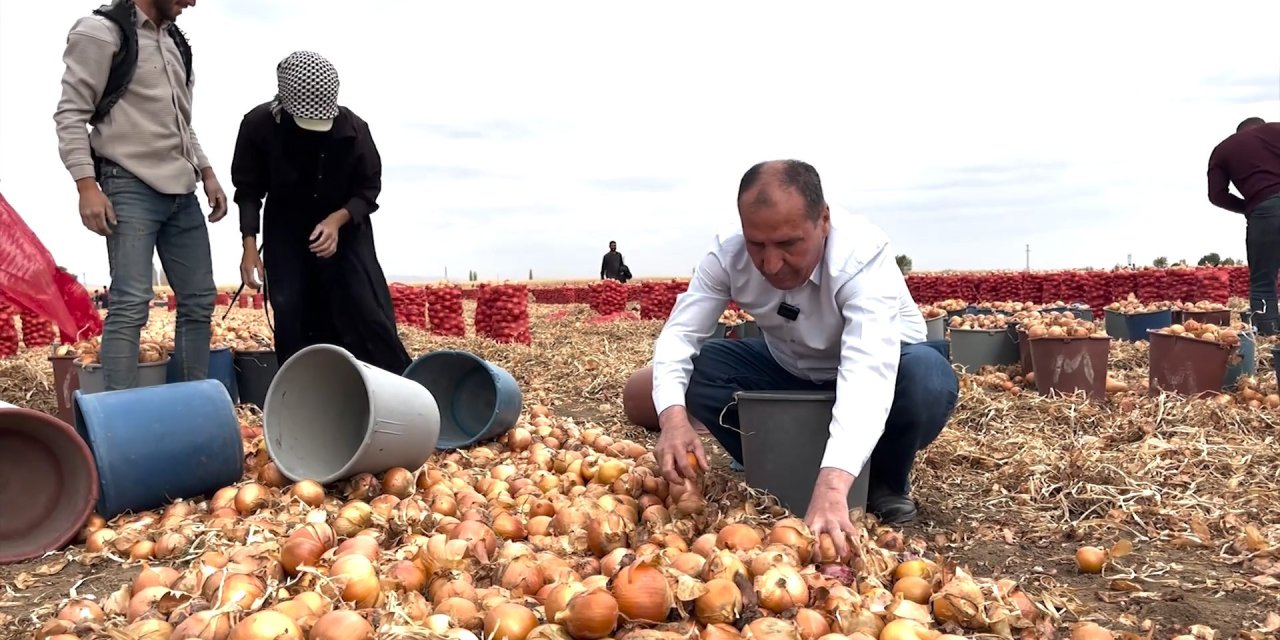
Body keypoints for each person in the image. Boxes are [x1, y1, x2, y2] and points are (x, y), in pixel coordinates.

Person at [650, 160, 959, 554]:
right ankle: (776, 465)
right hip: (791, 368)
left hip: (887, 367)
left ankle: (884, 480)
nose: (771, 263)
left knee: (927, 378)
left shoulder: (861, 255)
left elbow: (868, 373)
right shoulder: (727, 251)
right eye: (757, 245)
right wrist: (673, 420)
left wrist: (833, 487)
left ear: (823, 220)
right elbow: (681, 335)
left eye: (788, 244)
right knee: (705, 370)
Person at [54, 0, 225, 390]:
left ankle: (189, 404)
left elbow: (181, 124)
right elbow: (70, 114)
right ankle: (121, 416)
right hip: (128, 183)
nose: (192, 2)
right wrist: (86, 185)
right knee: (131, 304)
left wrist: (207, 172)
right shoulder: (100, 33)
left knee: (198, 303)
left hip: (183, 190)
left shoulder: (176, 42)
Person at [230, 51, 412, 375]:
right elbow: (249, 190)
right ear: (285, 102)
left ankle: (390, 386)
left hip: (345, 225)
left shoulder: (354, 129)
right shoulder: (258, 126)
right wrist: (248, 247)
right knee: (290, 308)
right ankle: (306, 395)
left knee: (363, 305)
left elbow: (368, 188)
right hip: (286, 227)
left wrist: (337, 219)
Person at [1207, 117, 1280, 336]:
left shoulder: (1223, 149)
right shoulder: (1277, 129)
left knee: (1263, 282)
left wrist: (1249, 207)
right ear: (1262, 125)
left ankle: (1271, 337)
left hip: (1265, 212)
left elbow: (1216, 195)